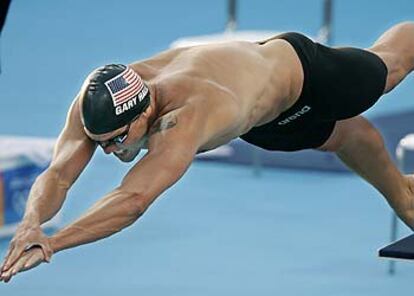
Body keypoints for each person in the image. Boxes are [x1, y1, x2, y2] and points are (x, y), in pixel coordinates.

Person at [1, 22, 414, 283]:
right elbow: (58, 174)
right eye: (100, 140)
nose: (108, 150)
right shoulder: (96, 104)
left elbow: (133, 200)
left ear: (146, 111)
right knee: (349, 137)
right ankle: (407, 200)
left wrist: (54, 242)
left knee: (389, 67)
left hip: (304, 75)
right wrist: (30, 224)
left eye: (117, 139)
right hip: (260, 123)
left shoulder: (186, 116)